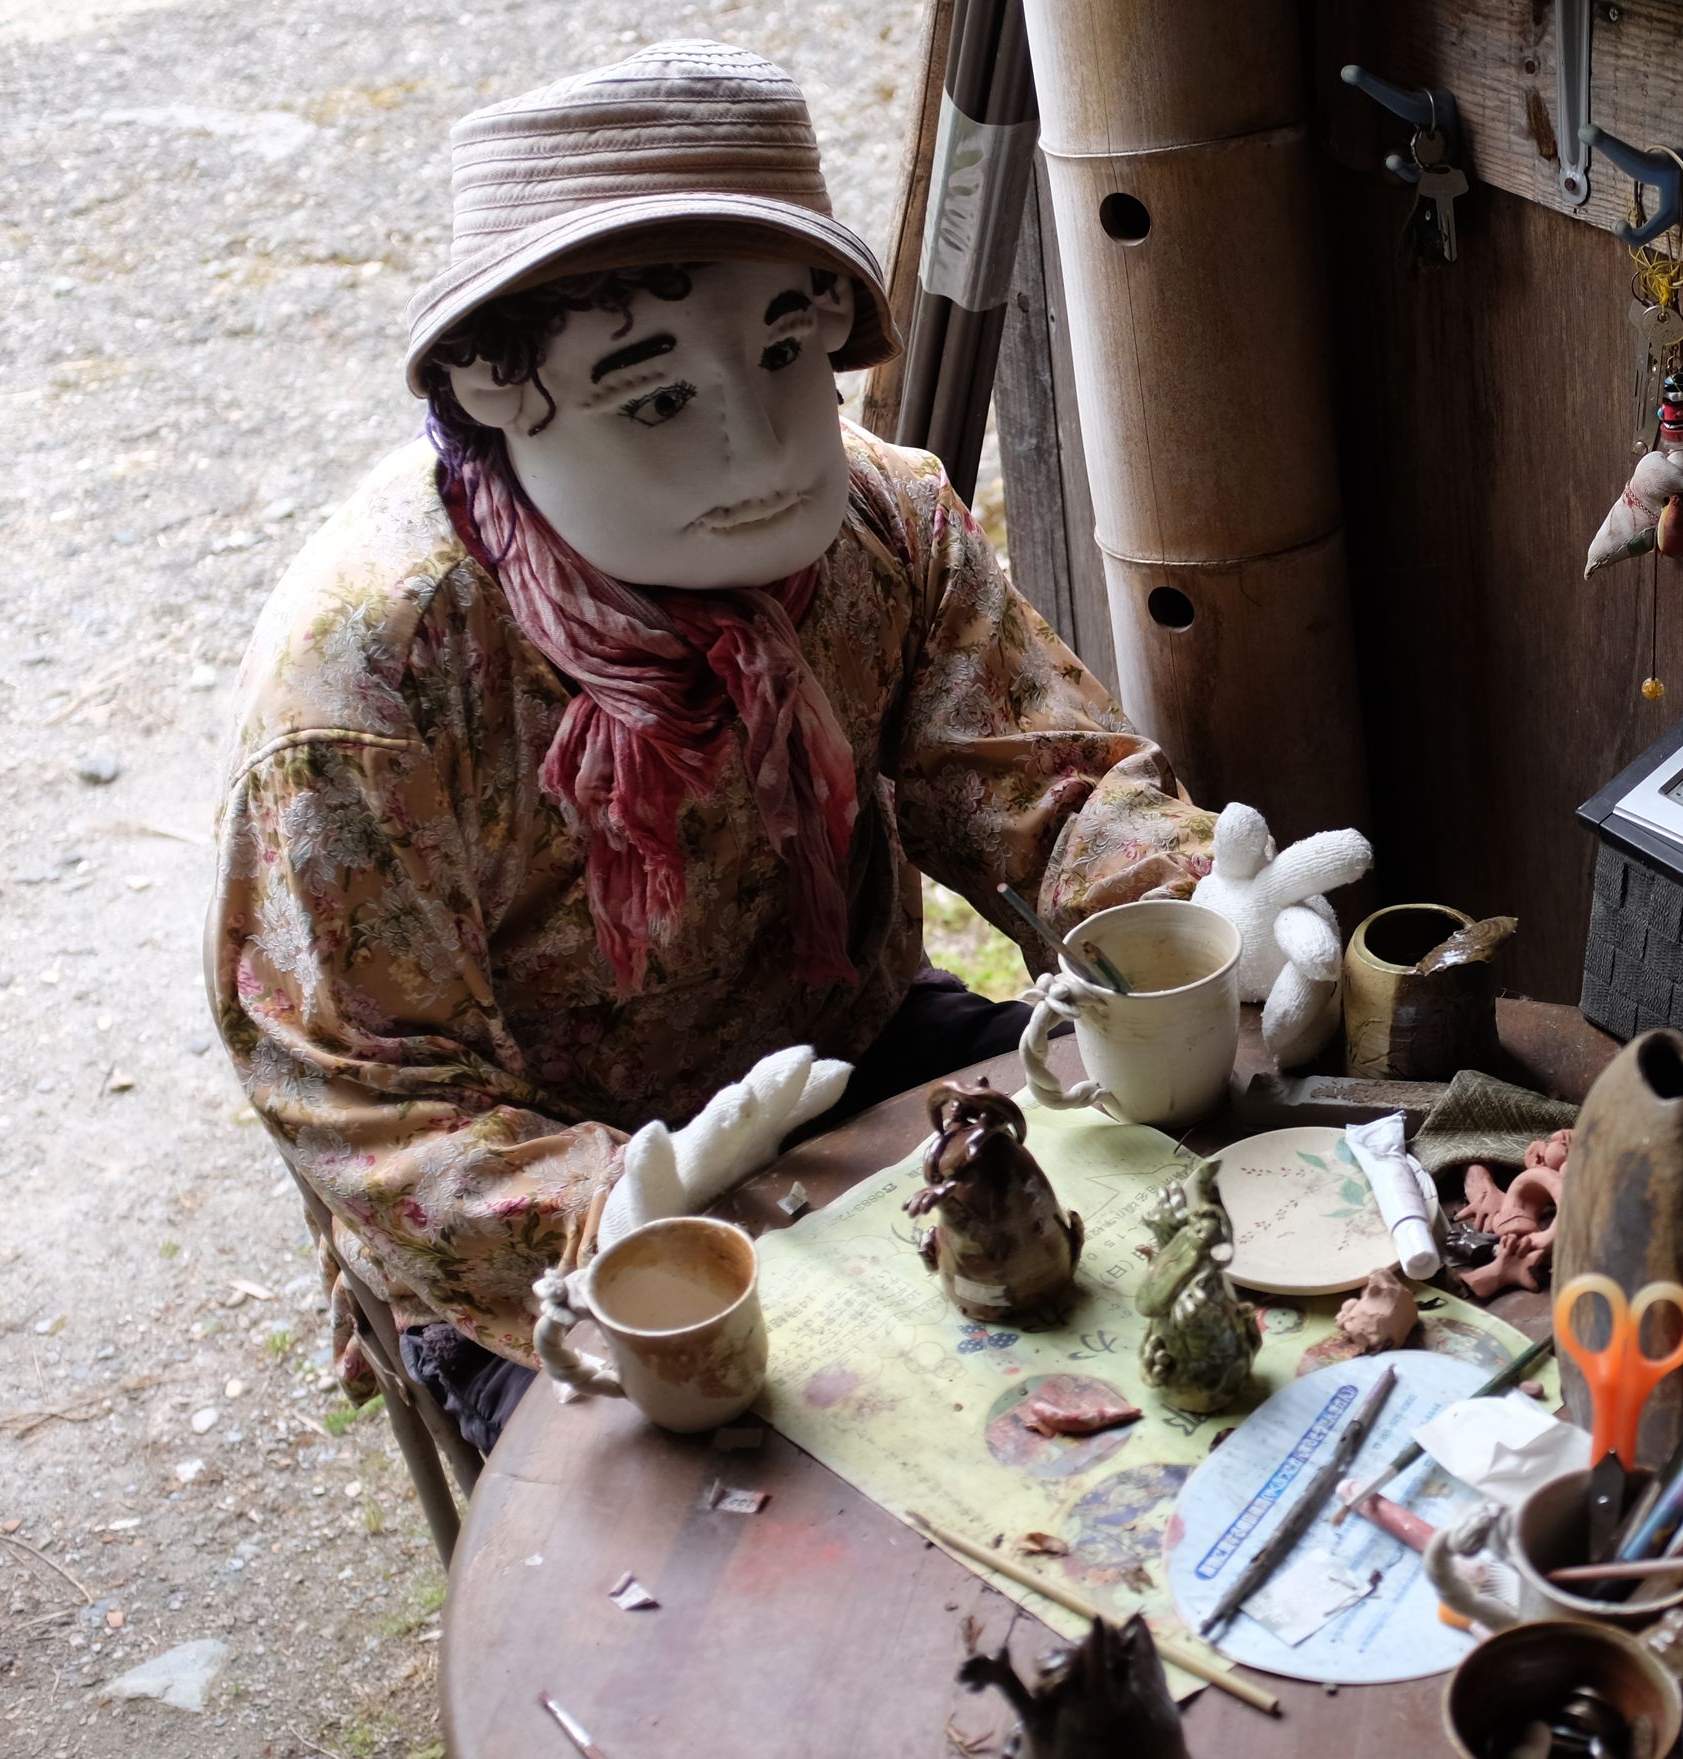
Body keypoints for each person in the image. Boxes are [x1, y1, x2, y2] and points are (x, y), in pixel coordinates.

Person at [208, 42, 1212, 1447]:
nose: (759, 443)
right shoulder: (373, 686)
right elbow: (359, 1090)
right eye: (656, 394)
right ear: (497, 389)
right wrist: (610, 1206)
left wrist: (1187, 923)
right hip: (558, 1182)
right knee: (720, 1554)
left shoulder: (881, 528)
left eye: (788, 351)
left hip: (847, 1049)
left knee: (1178, 1227)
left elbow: (1043, 781)